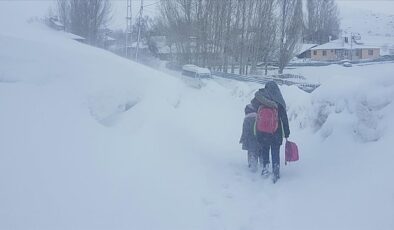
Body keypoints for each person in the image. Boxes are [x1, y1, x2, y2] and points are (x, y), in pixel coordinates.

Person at [251, 81, 290, 183]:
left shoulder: (261, 98)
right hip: (275, 132)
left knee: (265, 148)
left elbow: (252, 106)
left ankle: (265, 167)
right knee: (275, 150)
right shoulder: (279, 101)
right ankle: (276, 170)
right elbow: (284, 118)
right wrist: (287, 133)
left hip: (262, 131)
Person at [239, 103, 260, 172]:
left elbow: (245, 130)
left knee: (251, 151)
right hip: (258, 137)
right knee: (258, 150)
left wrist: (242, 139)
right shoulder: (258, 116)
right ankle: (262, 162)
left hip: (250, 139)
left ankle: (252, 164)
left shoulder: (247, 118)